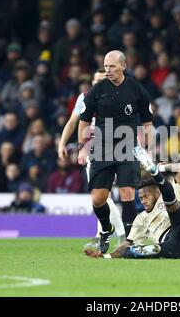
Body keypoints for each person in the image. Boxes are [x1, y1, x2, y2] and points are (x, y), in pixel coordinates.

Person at [78, 50, 153, 253]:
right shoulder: (97, 90)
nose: (108, 70)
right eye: (105, 66)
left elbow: (147, 123)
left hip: (127, 147)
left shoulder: (137, 90)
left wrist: (148, 148)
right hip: (102, 148)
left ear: (123, 66)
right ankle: (106, 229)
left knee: (127, 192)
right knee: (98, 198)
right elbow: (83, 120)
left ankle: (129, 241)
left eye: (111, 66)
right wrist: (82, 147)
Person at [84, 147, 180, 259]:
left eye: (146, 196)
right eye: (141, 198)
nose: (143, 201)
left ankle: (155, 172)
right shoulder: (141, 219)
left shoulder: (163, 197)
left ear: (157, 193)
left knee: (174, 205)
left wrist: (161, 167)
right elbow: (127, 244)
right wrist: (106, 256)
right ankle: (155, 172)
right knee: (132, 252)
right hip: (171, 247)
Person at [57, 69, 126, 247]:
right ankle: (116, 235)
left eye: (103, 80)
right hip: (92, 152)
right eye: (96, 80)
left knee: (103, 195)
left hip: (115, 150)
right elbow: (73, 121)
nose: (99, 83)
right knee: (102, 195)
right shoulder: (85, 98)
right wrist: (62, 143)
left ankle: (113, 234)